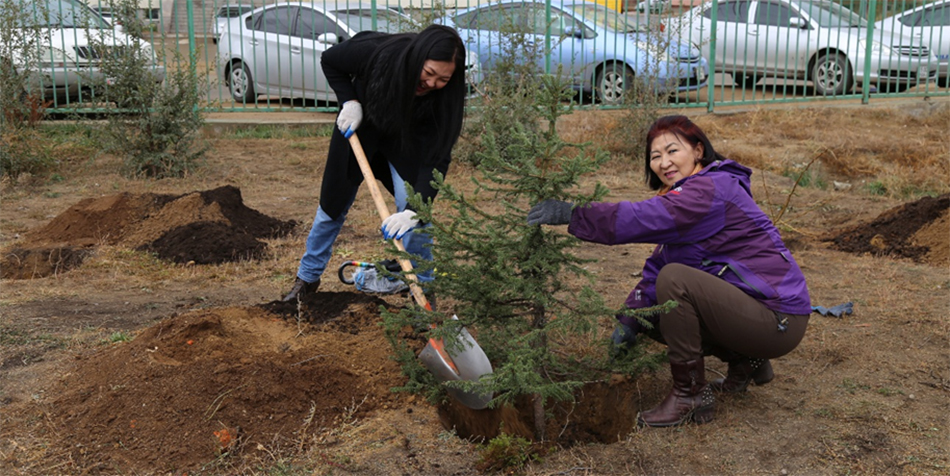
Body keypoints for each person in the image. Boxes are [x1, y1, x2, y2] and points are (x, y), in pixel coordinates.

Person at [527, 115, 811, 427]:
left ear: (698, 150)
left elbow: (642, 218)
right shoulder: (688, 193)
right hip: (754, 312)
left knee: (675, 282)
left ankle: (689, 394)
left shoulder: (709, 190)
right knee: (650, 310)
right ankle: (746, 361)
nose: (664, 163)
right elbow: (657, 266)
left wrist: (576, 214)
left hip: (778, 318)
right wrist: (629, 320)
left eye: (672, 151)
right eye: (655, 156)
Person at [283, 25, 467, 302]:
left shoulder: (445, 100)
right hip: (360, 126)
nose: (431, 84)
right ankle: (307, 279)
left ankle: (424, 292)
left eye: (442, 79)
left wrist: (414, 212)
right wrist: (350, 101)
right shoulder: (377, 52)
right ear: (416, 58)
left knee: (415, 210)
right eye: (428, 73)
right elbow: (330, 60)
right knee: (332, 206)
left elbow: (437, 158)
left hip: (405, 141)